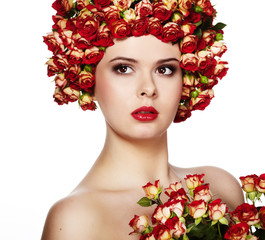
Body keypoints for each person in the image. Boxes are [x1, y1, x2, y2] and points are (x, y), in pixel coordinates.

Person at [41, 0, 244, 239]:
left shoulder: (221, 188)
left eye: (165, 70)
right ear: (87, 79)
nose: (148, 89)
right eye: (124, 69)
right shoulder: (76, 219)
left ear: (188, 78)